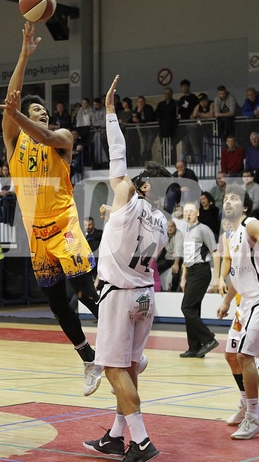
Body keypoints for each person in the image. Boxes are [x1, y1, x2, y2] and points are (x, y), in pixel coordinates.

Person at [0, 22, 100, 396]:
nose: (41, 112)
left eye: (43, 110)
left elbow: (36, 129)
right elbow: (13, 99)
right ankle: (89, 358)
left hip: (65, 223)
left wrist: (22, 116)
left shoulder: (61, 138)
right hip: (37, 233)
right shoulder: (13, 142)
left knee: (86, 291)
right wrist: (24, 54)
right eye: (34, 108)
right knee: (58, 305)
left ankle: (121, 348)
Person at [83, 76, 167, 461]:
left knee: (114, 371)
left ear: (143, 187)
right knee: (129, 370)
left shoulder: (128, 197)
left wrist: (110, 112)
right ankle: (116, 436)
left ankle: (143, 442)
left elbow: (118, 157)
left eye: (140, 180)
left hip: (118, 295)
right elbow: (135, 238)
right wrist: (112, 215)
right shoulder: (163, 222)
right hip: (145, 296)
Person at [216, 184, 259, 440]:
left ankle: (254, 416)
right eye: (226, 198)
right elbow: (237, 274)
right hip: (245, 304)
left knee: (246, 356)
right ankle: (246, 403)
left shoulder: (251, 224)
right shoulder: (230, 236)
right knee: (231, 356)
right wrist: (226, 301)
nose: (228, 202)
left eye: (234, 198)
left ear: (244, 206)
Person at [178, 202, 219, 358]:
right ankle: (194, 347)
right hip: (191, 271)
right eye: (186, 211)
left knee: (186, 307)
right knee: (193, 309)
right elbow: (186, 257)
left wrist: (217, 278)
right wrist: (183, 278)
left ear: (198, 213)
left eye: (191, 211)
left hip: (202, 271)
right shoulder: (185, 231)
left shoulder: (203, 229)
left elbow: (215, 252)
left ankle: (209, 339)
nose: (188, 214)